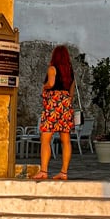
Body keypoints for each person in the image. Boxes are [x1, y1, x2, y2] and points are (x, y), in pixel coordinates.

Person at [34, 45, 75, 181]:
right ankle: (63, 172)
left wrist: (44, 86)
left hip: (53, 104)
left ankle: (44, 170)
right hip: (65, 104)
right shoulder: (70, 71)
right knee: (66, 139)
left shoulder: (52, 69)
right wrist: (66, 102)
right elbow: (71, 92)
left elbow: (51, 83)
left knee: (46, 139)